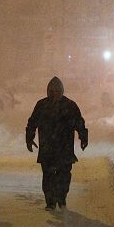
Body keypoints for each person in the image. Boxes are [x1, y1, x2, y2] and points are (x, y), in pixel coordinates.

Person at [26, 76, 88, 211]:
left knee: (64, 175)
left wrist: (83, 136)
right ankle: (50, 202)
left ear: (61, 91)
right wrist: (29, 138)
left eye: (57, 91)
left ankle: (61, 197)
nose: (54, 94)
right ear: (48, 91)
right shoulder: (42, 105)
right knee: (48, 175)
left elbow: (79, 122)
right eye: (52, 91)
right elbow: (32, 122)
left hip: (64, 147)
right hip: (48, 147)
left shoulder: (70, 105)